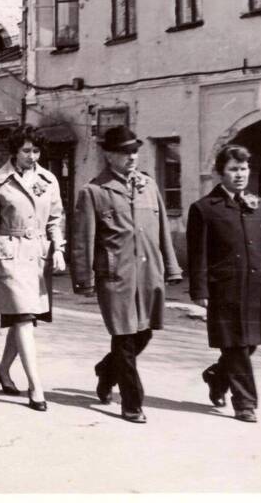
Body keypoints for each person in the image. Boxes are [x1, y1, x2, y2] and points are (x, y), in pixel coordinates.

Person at [71, 126, 183, 424]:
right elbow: (84, 239)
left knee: (143, 333)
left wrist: (171, 267)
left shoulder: (149, 186)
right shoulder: (94, 191)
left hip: (148, 273)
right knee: (124, 338)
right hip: (115, 277)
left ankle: (107, 372)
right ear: (108, 155)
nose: (131, 156)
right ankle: (132, 403)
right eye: (124, 152)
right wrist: (84, 279)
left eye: (134, 151)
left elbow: (162, 233)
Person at [187, 144, 261, 423]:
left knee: (250, 343)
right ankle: (245, 403)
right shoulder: (205, 209)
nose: (240, 174)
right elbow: (198, 255)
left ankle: (217, 377)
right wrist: (200, 290)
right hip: (224, 289)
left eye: (244, 169)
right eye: (233, 169)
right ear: (221, 173)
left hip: (255, 288)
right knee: (236, 346)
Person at [0, 125, 65, 412]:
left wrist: (59, 249)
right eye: (26, 150)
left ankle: (3, 369)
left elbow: (55, 217)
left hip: (38, 256)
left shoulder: (48, 179)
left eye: (36, 150)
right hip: (10, 254)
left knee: (22, 319)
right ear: (14, 151)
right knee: (24, 318)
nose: (32, 156)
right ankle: (36, 386)